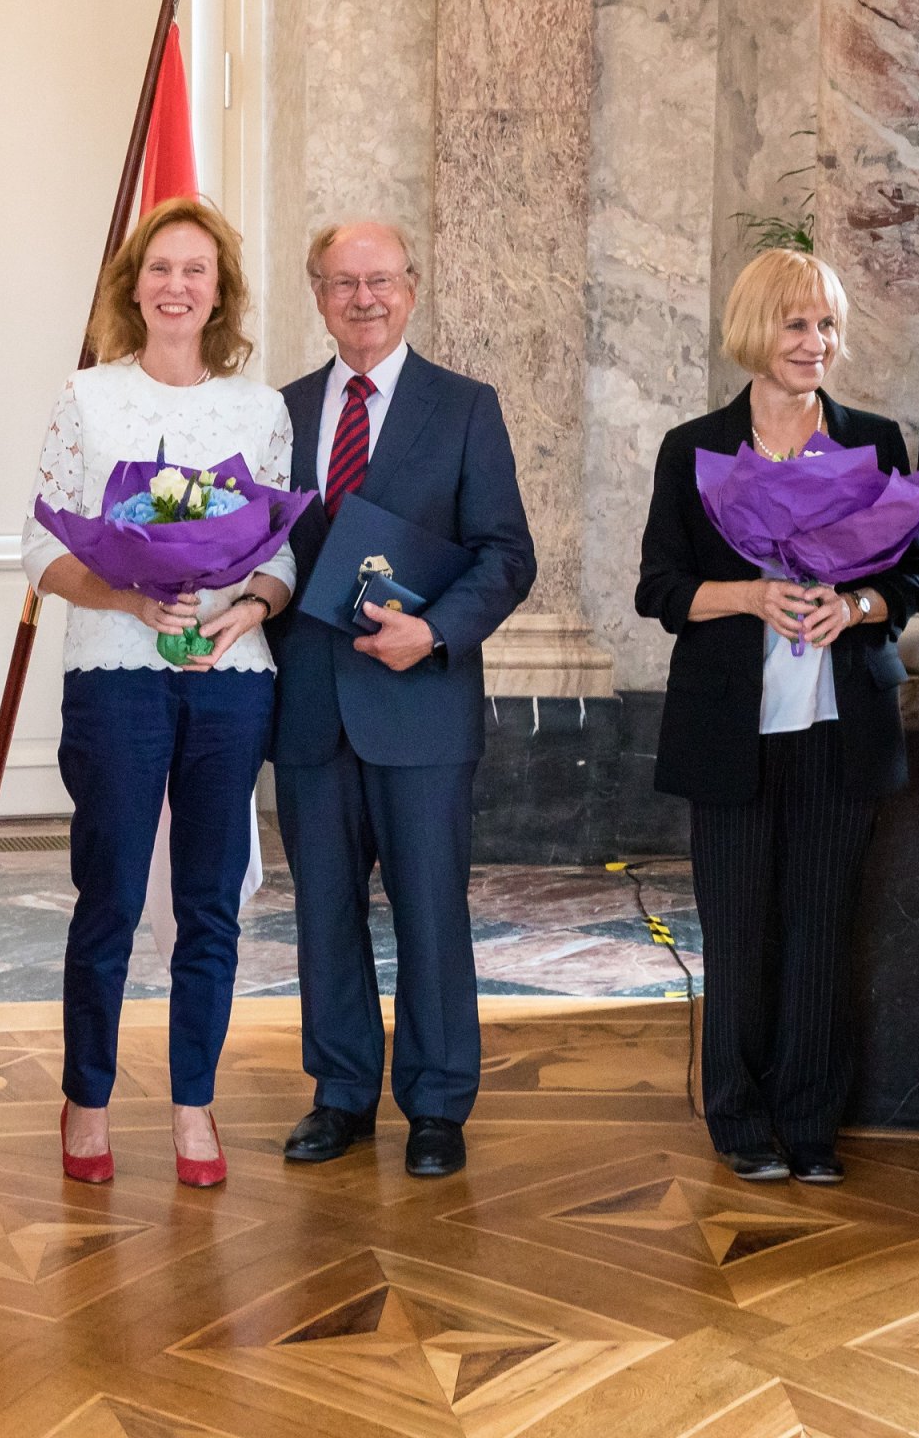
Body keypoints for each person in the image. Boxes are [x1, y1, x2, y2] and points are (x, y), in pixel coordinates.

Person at [636, 249, 919, 1183]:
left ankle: (811, 1123)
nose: (816, 343)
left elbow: (911, 577)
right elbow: (660, 589)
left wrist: (855, 607)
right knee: (738, 928)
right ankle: (738, 1116)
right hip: (733, 727)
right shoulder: (695, 449)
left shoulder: (874, 441)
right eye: (799, 324)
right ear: (758, 329)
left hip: (842, 725)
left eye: (829, 326)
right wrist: (752, 595)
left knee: (820, 929)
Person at [25, 196, 294, 1191]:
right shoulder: (88, 398)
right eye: (161, 268)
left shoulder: (257, 410)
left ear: (218, 290)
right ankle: (87, 1096)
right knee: (112, 894)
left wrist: (252, 605)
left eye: (197, 270)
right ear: (133, 286)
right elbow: (43, 545)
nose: (177, 286)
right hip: (114, 669)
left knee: (211, 903)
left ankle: (195, 1102)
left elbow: (281, 552)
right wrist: (130, 596)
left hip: (230, 679)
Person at [268, 220, 534, 1179]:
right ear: (318, 292)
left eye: (380, 281)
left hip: (421, 702)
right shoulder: (283, 411)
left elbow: (509, 554)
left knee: (431, 910)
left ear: (412, 289)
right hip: (308, 708)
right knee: (324, 912)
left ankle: (435, 1105)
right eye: (344, 283)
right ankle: (340, 1093)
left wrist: (434, 631)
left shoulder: (464, 407)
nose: (364, 299)